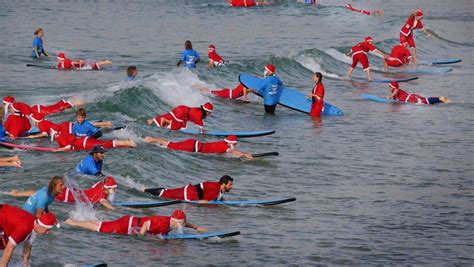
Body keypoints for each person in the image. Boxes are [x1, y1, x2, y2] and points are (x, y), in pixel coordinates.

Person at [64, 209, 207, 236]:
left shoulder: (172, 222)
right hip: (127, 225)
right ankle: (72, 222)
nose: (183, 224)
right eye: (183, 222)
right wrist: (140, 238)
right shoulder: (163, 223)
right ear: (177, 221)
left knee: (101, 224)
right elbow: (147, 224)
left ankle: (78, 219)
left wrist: (196, 227)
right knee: (99, 228)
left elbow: (184, 223)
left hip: (129, 221)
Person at [10, 176, 118, 210]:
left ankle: (16, 193)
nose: (115, 190)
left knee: (42, 192)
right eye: (114, 188)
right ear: (107, 188)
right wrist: (115, 209)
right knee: (41, 194)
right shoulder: (101, 196)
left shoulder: (100, 184)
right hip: (69, 197)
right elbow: (105, 203)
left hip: (72, 191)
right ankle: (16, 194)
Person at [144, 135, 254, 160]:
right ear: (231, 143)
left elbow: (233, 151)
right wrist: (245, 155)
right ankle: (151, 139)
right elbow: (234, 152)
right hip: (192, 147)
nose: (235, 145)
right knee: (170, 146)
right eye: (235, 143)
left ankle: (152, 140)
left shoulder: (222, 143)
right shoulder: (225, 147)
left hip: (194, 143)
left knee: (170, 144)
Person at [144, 175, 234, 203]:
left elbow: (215, 197)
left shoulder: (221, 191)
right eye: (230, 185)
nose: (231, 187)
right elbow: (200, 186)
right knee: (164, 193)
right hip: (186, 194)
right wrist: (200, 199)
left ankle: (145, 190)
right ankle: (143, 190)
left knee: (167, 191)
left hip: (189, 195)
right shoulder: (214, 186)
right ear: (223, 184)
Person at [147, 102, 214, 133]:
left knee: (170, 116)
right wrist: (202, 131)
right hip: (182, 113)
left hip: (181, 108)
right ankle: (165, 121)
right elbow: (199, 122)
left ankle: (152, 120)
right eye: (209, 113)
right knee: (176, 127)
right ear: (207, 112)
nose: (209, 114)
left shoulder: (198, 109)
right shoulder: (199, 114)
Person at [2, 95, 84, 117]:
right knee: (53, 108)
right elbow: (26, 105)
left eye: (4, 104)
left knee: (56, 110)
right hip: (36, 108)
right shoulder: (16, 105)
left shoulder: (14, 105)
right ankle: (69, 101)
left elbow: (26, 110)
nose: (4, 105)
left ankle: (77, 102)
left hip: (37, 110)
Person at [54, 132, 137, 152]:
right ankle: (127, 145)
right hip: (85, 139)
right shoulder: (65, 135)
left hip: (85, 144)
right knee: (105, 145)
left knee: (105, 144)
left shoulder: (62, 140)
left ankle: (127, 142)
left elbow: (68, 147)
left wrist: (58, 150)